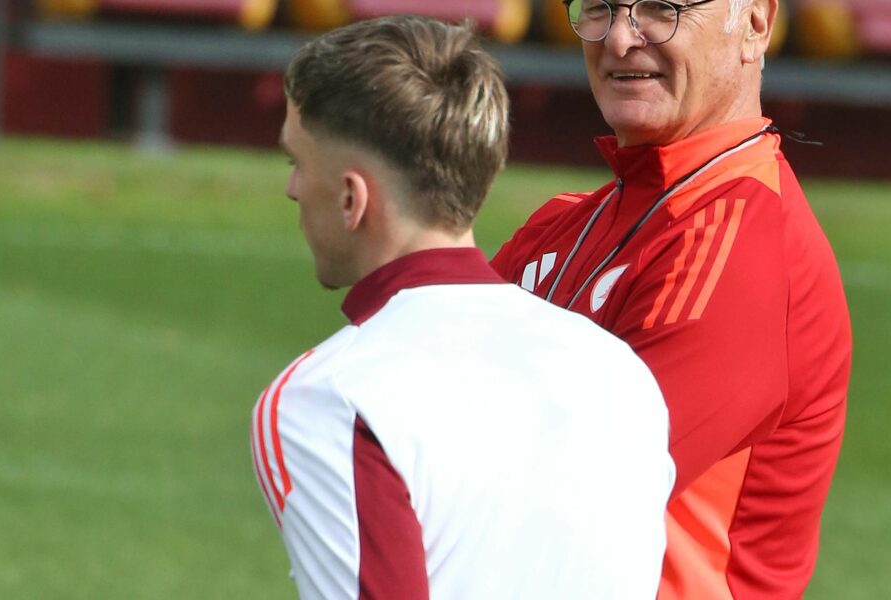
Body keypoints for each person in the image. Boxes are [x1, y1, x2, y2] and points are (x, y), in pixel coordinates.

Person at [251, 15, 674, 600]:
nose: (293, 188)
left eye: (296, 162)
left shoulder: (331, 399)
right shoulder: (619, 371)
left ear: (352, 198)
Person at [490, 1, 853, 598]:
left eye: (661, 8)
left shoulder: (744, 239)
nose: (620, 40)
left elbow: (571, 492)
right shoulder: (564, 223)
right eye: (600, 7)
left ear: (756, 23)